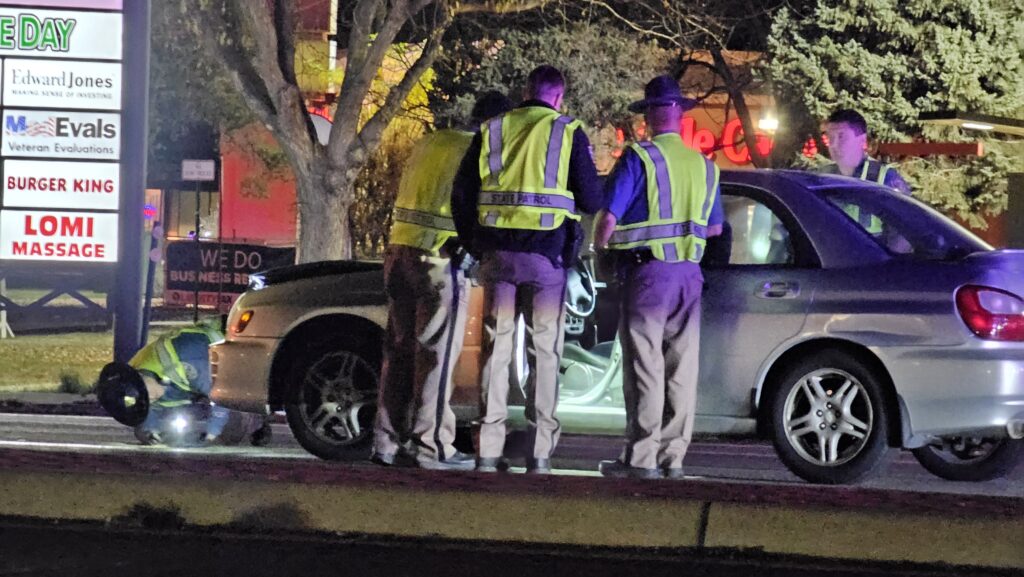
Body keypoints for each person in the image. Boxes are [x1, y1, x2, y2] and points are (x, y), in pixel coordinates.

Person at [451, 65, 603, 474]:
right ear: (559, 97)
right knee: (545, 354)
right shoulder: (568, 132)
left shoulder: (493, 130)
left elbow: (462, 195)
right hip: (546, 260)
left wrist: (476, 245)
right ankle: (539, 453)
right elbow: (591, 199)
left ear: (525, 91)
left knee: (495, 351)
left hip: (498, 257)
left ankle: (487, 449)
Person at [371, 91, 514, 471]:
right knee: (437, 354)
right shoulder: (480, 152)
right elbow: (480, 206)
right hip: (440, 257)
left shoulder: (431, 142)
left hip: (398, 252)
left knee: (399, 352)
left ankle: (386, 442)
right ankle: (431, 445)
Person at [592, 75, 723, 480]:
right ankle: (672, 457)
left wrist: (600, 251)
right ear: (680, 115)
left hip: (648, 276)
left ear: (648, 116)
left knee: (644, 367)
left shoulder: (640, 158)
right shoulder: (705, 166)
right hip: (689, 277)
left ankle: (641, 457)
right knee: (681, 369)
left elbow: (607, 220)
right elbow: (715, 227)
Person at [818, 109, 911, 195]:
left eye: (842, 137)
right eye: (831, 138)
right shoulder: (823, 178)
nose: (834, 144)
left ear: (862, 140)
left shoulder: (885, 179)